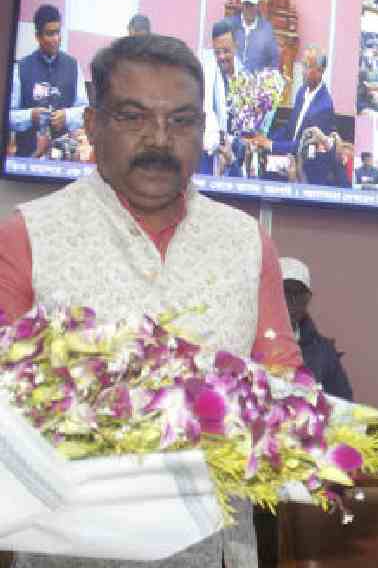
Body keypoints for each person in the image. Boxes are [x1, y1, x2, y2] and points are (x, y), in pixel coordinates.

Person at [0, 34, 300, 568]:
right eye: (134, 117)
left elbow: (285, 392)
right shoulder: (28, 237)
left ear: (203, 131)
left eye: (181, 120)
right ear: (93, 126)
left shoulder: (247, 243)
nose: (159, 139)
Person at [8, 4, 88, 158]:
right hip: (27, 159)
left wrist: (67, 116)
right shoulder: (21, 68)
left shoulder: (73, 65)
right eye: (49, 34)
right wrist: (30, 116)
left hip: (63, 162)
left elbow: (85, 111)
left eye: (58, 32)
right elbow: (8, 116)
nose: (56, 39)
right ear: (37, 36)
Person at [257, 52, 348, 187]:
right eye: (302, 65)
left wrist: (272, 145)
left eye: (307, 66)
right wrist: (265, 138)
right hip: (290, 155)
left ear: (320, 71)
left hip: (307, 168)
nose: (302, 71)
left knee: (266, 168)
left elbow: (307, 145)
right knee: (260, 161)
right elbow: (289, 128)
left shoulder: (324, 105)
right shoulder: (301, 91)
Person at [280, 257, 353, 401]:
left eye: (300, 296)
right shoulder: (254, 342)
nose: (293, 303)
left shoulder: (323, 352)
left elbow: (345, 404)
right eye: (286, 293)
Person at [199, 19, 246, 177]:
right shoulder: (206, 73)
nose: (221, 57)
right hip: (211, 155)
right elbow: (206, 115)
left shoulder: (246, 76)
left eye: (226, 51)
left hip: (238, 158)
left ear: (236, 46)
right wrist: (222, 146)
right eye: (217, 52)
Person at [227, 0, 280, 73]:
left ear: (258, 5)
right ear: (241, 4)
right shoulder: (231, 26)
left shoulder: (266, 30)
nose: (248, 9)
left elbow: (274, 62)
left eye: (252, 5)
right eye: (246, 4)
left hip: (256, 83)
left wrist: (265, 78)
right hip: (231, 80)